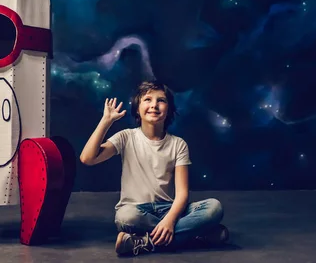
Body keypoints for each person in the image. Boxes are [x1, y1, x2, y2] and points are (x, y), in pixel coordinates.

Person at [80, 80, 228, 256]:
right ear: (137, 108)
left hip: (169, 208)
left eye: (161, 100)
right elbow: (87, 158)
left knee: (214, 207)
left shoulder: (178, 144)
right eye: (147, 100)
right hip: (136, 211)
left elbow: (182, 194)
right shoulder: (126, 137)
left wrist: (170, 220)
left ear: (169, 110)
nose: (154, 105)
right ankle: (193, 236)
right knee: (126, 217)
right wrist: (106, 121)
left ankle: (144, 243)